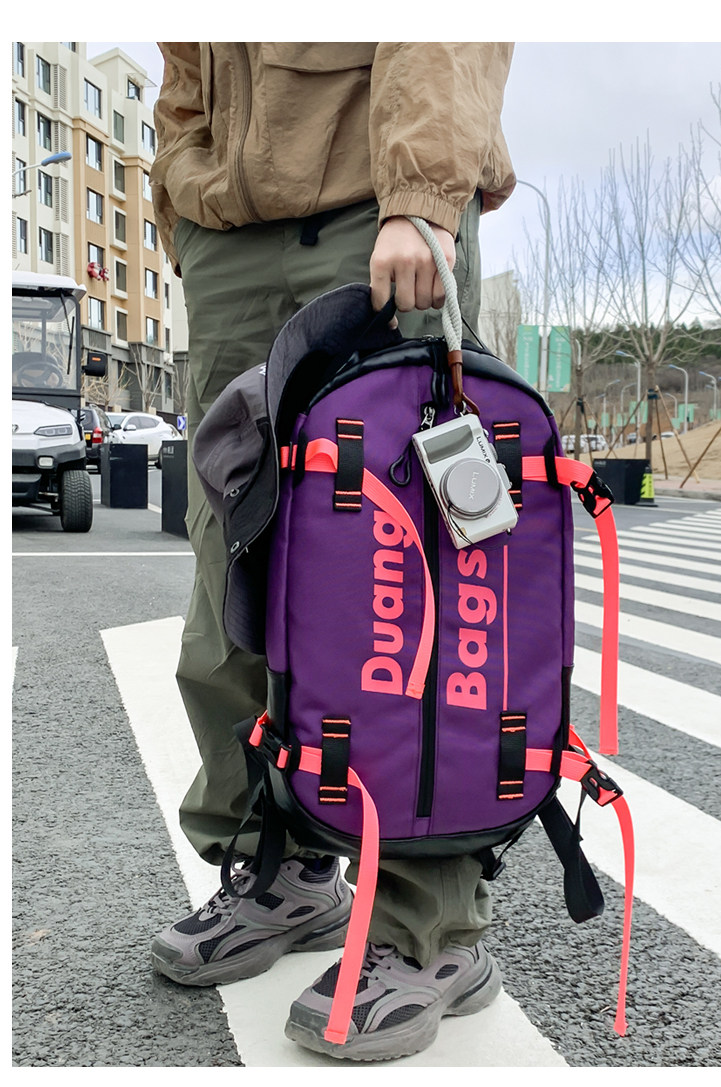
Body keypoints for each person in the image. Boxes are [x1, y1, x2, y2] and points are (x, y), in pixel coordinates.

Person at [149, 42, 516, 1061]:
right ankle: (284, 868)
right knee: (234, 572)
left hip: (374, 204)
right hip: (228, 230)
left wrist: (421, 193)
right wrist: (181, 202)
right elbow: (185, 63)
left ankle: (427, 926)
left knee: (407, 583)